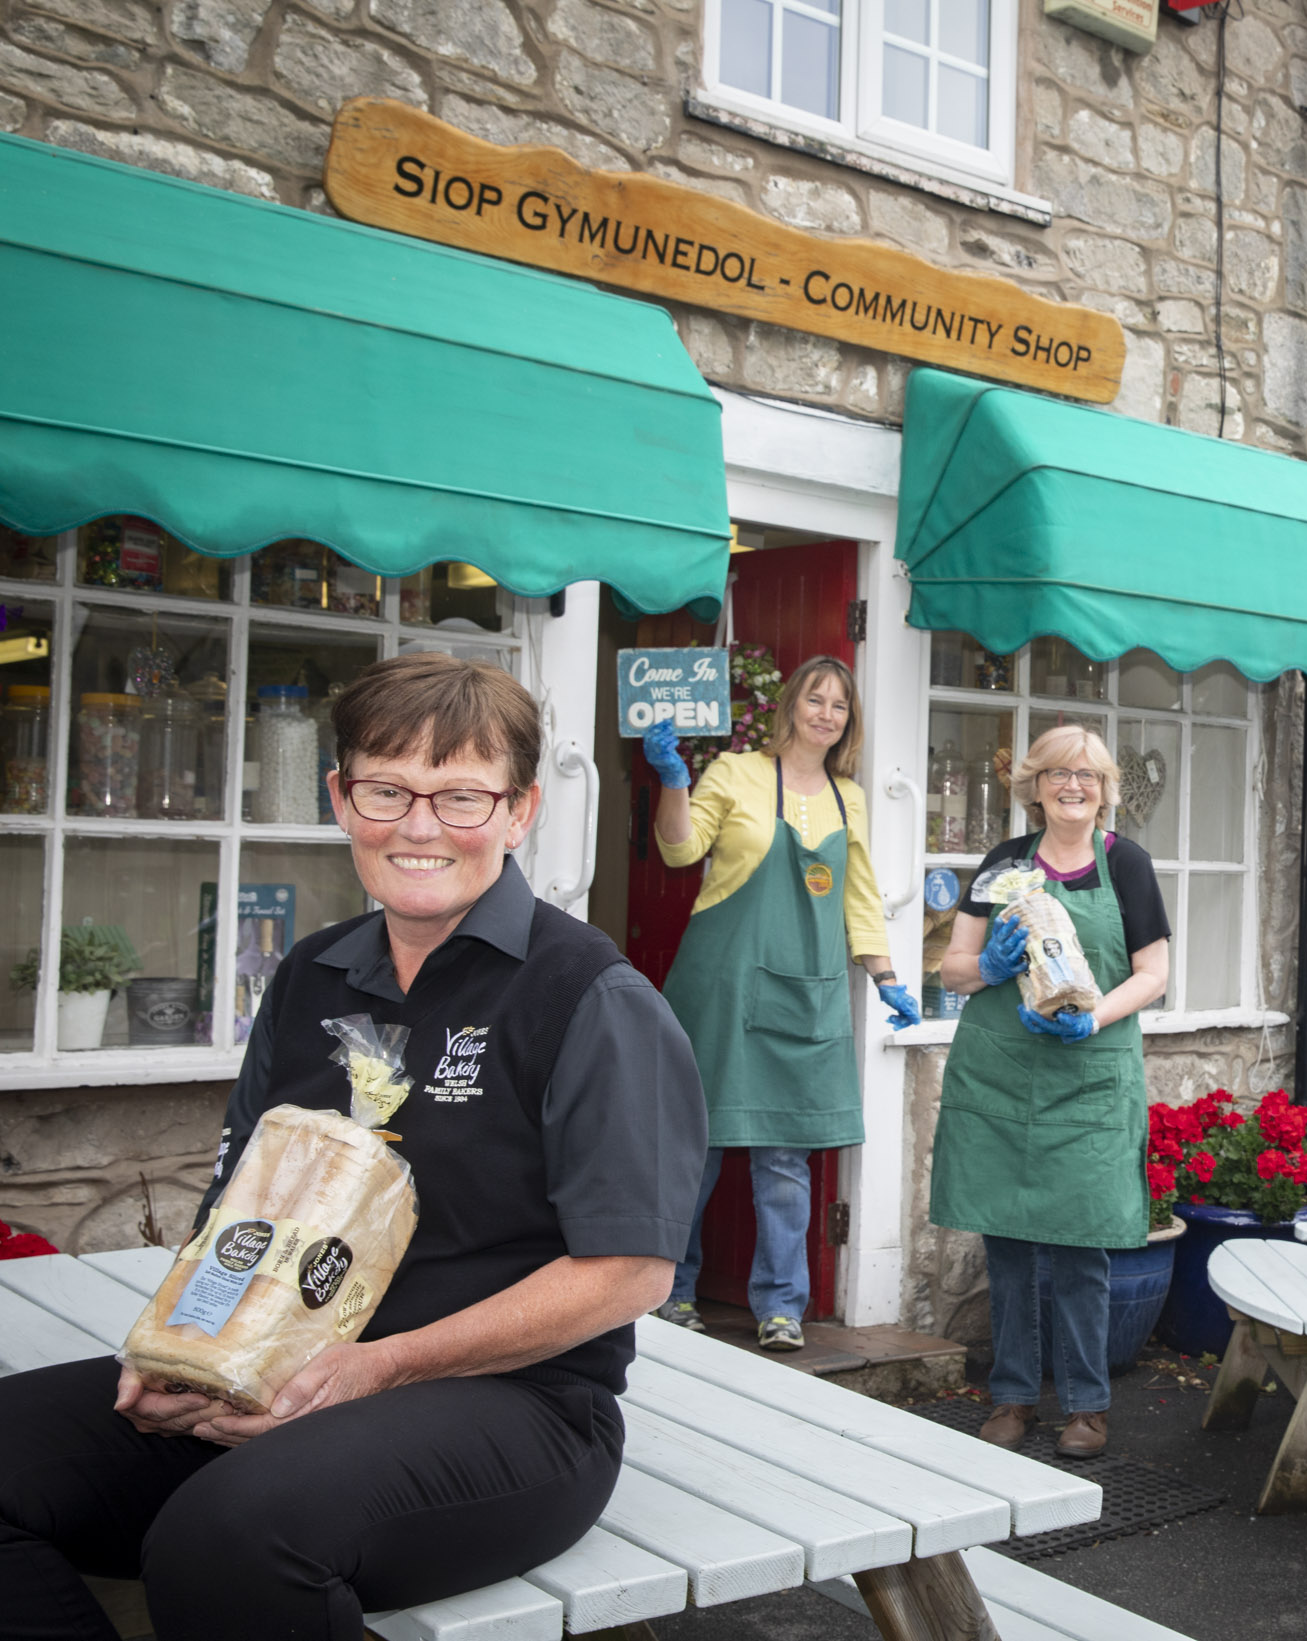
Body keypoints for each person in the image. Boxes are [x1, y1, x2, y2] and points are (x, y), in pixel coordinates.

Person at [0, 653, 705, 1640]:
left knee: (229, 1534)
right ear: (340, 796)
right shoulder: (310, 976)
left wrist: (381, 1369)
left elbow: (628, 1270)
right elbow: (235, 1210)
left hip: (516, 1409)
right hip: (273, 1373)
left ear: (520, 811)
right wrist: (184, 1355)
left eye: (461, 796)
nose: (420, 827)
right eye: (388, 789)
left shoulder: (588, 995)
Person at [646, 655, 918, 1352]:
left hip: (806, 991)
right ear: (791, 704)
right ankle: (669, 1289)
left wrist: (885, 976)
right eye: (816, 699)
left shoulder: (849, 797)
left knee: (783, 1159)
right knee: (695, 1146)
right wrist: (673, 783)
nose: (826, 713)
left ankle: (780, 1306)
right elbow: (681, 852)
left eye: (840, 706)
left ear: (847, 721)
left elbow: (858, 894)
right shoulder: (734, 772)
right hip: (721, 987)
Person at [931, 725, 1170, 1460]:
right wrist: (991, 966)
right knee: (1005, 1244)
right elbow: (952, 968)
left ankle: (1086, 1405)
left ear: (1104, 790)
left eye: (1089, 776)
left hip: (1087, 1077)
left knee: (1079, 1250)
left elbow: (1153, 972)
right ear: (1034, 785)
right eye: (1060, 774)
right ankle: (1010, 1395)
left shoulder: (1125, 862)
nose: (1074, 786)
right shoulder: (1004, 862)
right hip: (1000, 1073)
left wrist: (1093, 1016)